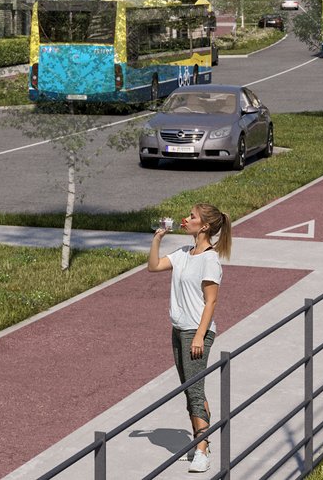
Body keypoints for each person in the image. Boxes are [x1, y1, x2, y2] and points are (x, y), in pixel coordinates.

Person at [146, 203, 231, 474]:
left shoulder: (209, 259)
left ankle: (202, 452)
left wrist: (199, 336)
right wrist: (158, 238)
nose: (186, 219)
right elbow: (154, 266)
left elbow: (211, 301)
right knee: (191, 389)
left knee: (194, 391)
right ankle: (200, 441)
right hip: (178, 329)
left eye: (192, 217)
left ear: (204, 226)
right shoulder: (184, 253)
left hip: (196, 333)